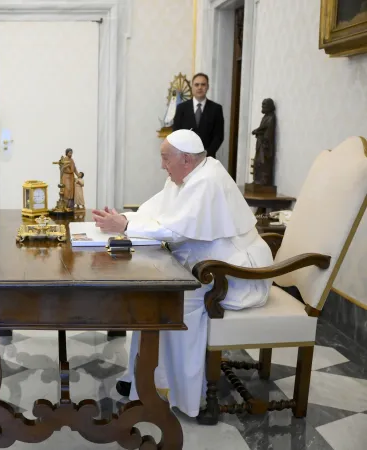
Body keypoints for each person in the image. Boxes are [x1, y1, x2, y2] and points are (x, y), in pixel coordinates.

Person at [92, 129, 273, 418]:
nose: (162, 165)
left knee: (168, 301)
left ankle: (173, 392)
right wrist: (124, 219)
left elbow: (176, 228)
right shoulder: (184, 177)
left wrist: (125, 226)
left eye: (165, 158)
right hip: (208, 270)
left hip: (235, 276)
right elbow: (158, 212)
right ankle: (141, 378)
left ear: (186, 159)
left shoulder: (207, 182)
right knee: (150, 294)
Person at [172, 73, 224, 158]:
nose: (200, 87)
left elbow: (218, 136)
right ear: (192, 87)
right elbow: (176, 133)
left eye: (203, 84)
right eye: (196, 85)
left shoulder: (216, 109)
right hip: (185, 157)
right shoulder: (182, 108)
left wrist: (207, 153)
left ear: (207, 87)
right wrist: (184, 152)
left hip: (207, 158)